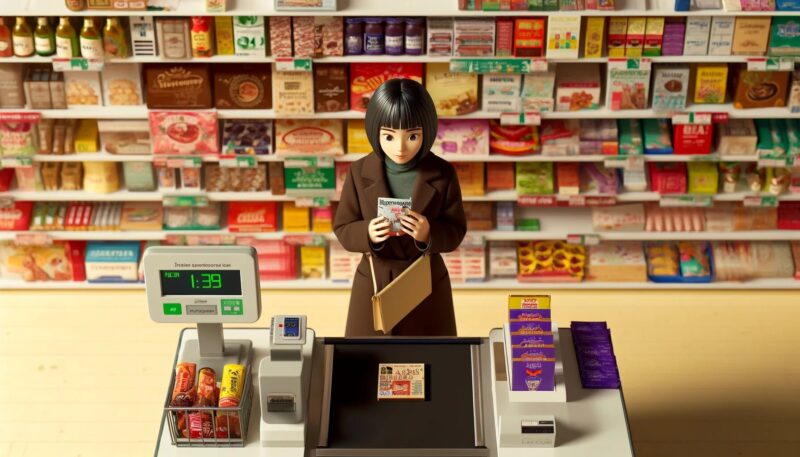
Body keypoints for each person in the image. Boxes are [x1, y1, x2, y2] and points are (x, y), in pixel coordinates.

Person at [333, 78, 467, 337]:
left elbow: (456, 230)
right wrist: (368, 233)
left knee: (429, 363)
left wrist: (428, 233)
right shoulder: (359, 171)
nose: (401, 147)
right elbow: (343, 227)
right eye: (389, 136)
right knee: (369, 363)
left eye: (412, 136)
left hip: (425, 281)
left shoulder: (443, 173)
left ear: (427, 132)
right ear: (375, 132)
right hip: (374, 281)